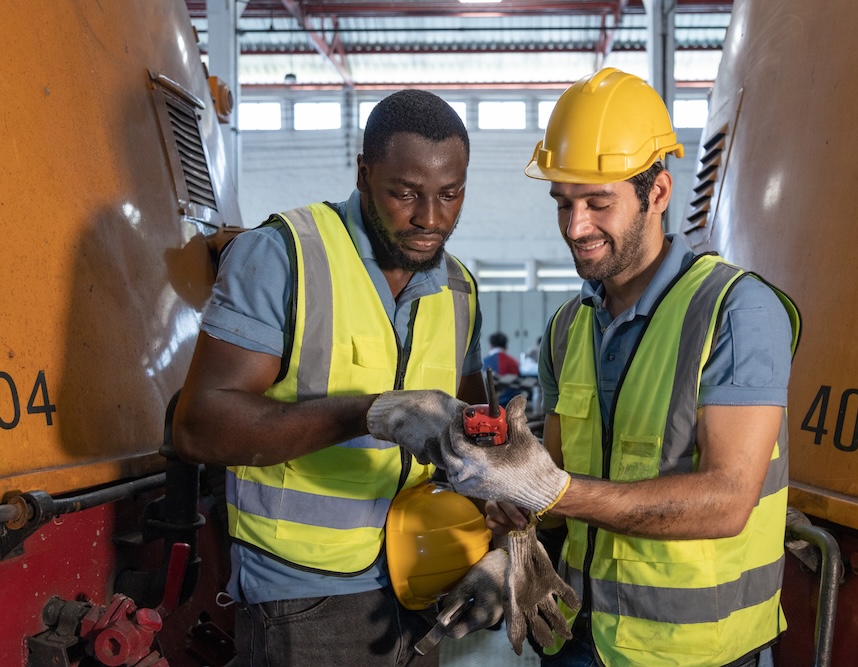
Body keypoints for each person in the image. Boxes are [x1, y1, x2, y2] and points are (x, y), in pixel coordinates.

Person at [413, 68, 802, 666]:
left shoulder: (736, 311)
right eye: (563, 204)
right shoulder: (568, 328)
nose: (576, 227)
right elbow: (554, 489)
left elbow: (728, 500)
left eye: (599, 203)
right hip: (572, 634)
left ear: (659, 192)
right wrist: (515, 533)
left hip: (693, 651)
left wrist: (556, 492)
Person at [171, 89, 495, 667]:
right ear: (364, 174)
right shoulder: (282, 256)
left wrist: (506, 536)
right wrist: (369, 413)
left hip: (427, 580)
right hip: (306, 595)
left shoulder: (458, 288)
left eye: (450, 194)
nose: (430, 218)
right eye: (404, 193)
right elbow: (199, 428)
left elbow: (476, 442)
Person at [483, 331, 522, 406]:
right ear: (506, 346)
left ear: (490, 346)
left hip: (488, 404)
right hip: (509, 403)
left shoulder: (484, 362)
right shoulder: (513, 362)